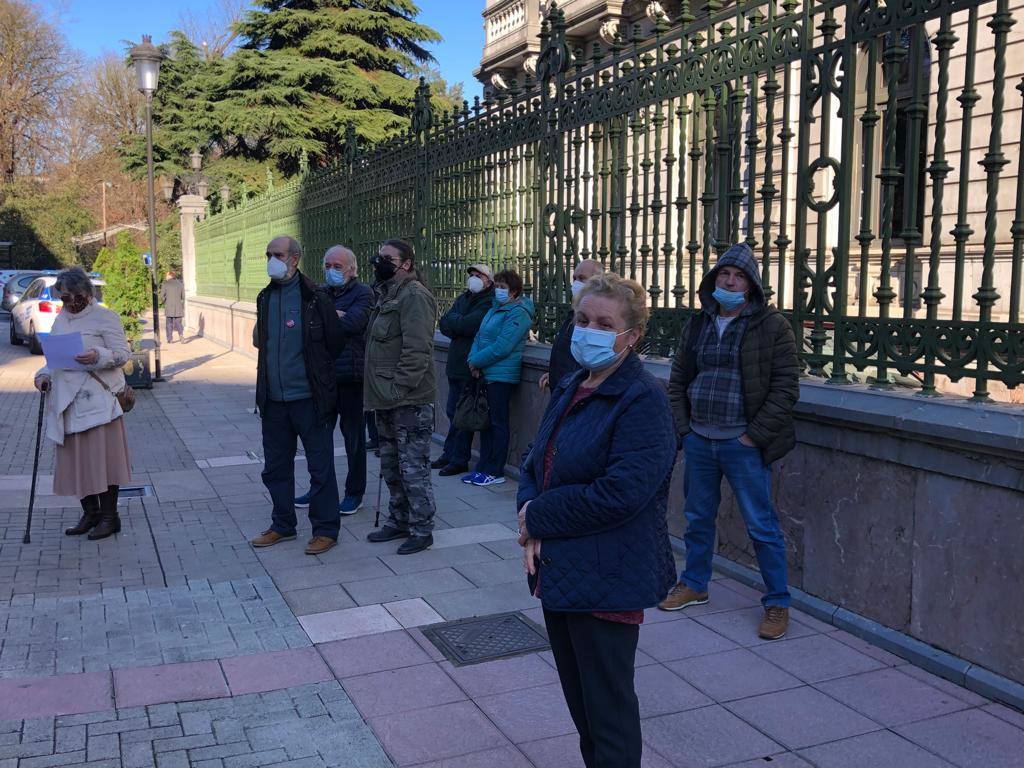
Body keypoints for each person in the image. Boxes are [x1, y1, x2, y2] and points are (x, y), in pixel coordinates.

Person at [517, 273, 677, 768]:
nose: (589, 330)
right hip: (563, 570)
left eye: (604, 323)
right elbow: (533, 458)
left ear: (633, 336)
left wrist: (537, 516)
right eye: (582, 319)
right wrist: (528, 511)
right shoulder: (574, 383)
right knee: (583, 710)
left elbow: (621, 493)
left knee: (608, 714)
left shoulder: (643, 400)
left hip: (610, 575)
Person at [660, 242, 800, 641]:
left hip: (743, 444)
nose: (730, 281)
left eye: (738, 276)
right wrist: (685, 429)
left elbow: (786, 387)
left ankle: (777, 602)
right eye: (724, 274)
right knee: (697, 518)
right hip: (701, 439)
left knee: (762, 526)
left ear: (751, 285)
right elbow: (679, 379)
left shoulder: (773, 326)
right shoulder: (699, 323)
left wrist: (753, 436)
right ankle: (694, 584)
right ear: (714, 279)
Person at [249, 236, 345, 556]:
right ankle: (283, 524)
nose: (271, 260)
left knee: (320, 467)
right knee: (275, 467)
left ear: (295, 259)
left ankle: (325, 529)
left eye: (277, 254)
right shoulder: (265, 297)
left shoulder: (315, 298)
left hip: (309, 399)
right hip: (274, 400)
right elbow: (261, 343)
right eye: (268, 254)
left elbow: (335, 343)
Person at [33, 267, 133, 541]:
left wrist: (97, 355)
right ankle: (90, 513)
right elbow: (53, 358)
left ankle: (110, 517)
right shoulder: (61, 318)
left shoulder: (105, 316)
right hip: (67, 402)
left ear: (88, 294)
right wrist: (42, 376)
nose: (71, 303)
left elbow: (123, 354)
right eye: (65, 298)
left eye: (76, 297)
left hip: (99, 402)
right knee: (78, 463)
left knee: (104, 462)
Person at [363, 239, 438, 555]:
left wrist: (398, 389)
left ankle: (422, 528)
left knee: (412, 467)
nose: (379, 262)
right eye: (378, 257)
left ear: (405, 263)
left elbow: (417, 350)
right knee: (391, 465)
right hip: (385, 399)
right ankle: (398, 519)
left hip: (408, 400)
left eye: (386, 258)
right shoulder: (386, 294)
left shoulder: (414, 296)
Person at [294, 246, 373, 515]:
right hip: (323, 378)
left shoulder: (364, 293)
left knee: (353, 440)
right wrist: (333, 317)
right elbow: (308, 324)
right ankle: (320, 489)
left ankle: (354, 493)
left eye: (337, 266)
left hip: (351, 376)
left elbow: (353, 324)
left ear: (352, 268)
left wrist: (330, 318)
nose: (331, 270)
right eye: (327, 265)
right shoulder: (322, 293)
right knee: (319, 440)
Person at [463, 268, 534, 486]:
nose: (498, 291)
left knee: (498, 423)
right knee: (486, 423)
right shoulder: (495, 309)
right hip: (485, 371)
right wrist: (472, 359)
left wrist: (477, 361)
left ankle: (495, 470)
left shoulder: (518, 312)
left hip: (501, 375)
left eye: (503, 288)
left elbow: (503, 346)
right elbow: (479, 335)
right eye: (497, 287)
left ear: (514, 292)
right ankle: (483, 466)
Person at [434, 264, 495, 477]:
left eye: (479, 275)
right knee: (452, 413)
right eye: (472, 275)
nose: (474, 279)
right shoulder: (464, 298)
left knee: (463, 415)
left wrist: (456, 323)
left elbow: (469, 325)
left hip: (471, 366)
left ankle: (459, 459)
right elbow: (444, 322)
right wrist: (457, 323)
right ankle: (449, 453)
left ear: (488, 280)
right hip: (455, 365)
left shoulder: (488, 301)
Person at [538, 258, 604, 392]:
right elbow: (567, 353)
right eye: (574, 278)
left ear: (598, 281)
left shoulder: (599, 320)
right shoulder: (574, 314)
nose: (576, 283)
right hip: (562, 387)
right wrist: (554, 374)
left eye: (581, 278)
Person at [160, 271, 185, 343]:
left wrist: (165, 302)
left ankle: (170, 339)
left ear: (170, 276)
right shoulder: (180, 284)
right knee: (178, 323)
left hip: (169, 306)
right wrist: (181, 306)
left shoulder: (165, 284)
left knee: (169, 323)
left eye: (166, 275)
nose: (165, 277)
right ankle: (181, 334)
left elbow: (162, 296)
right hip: (178, 307)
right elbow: (183, 297)